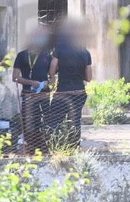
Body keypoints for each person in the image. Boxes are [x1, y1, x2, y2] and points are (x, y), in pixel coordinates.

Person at [48, 20, 93, 150]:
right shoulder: (85, 52)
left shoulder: (59, 49)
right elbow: (89, 78)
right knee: (75, 119)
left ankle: (55, 145)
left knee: (55, 119)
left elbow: (52, 69)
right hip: (79, 91)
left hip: (63, 91)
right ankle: (74, 146)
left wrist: (53, 77)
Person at [12, 25, 54, 153]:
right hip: (28, 95)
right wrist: (31, 83)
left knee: (45, 121)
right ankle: (30, 147)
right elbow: (15, 77)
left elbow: (53, 77)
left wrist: (48, 83)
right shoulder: (21, 56)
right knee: (29, 122)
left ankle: (44, 148)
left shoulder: (47, 56)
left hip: (44, 95)